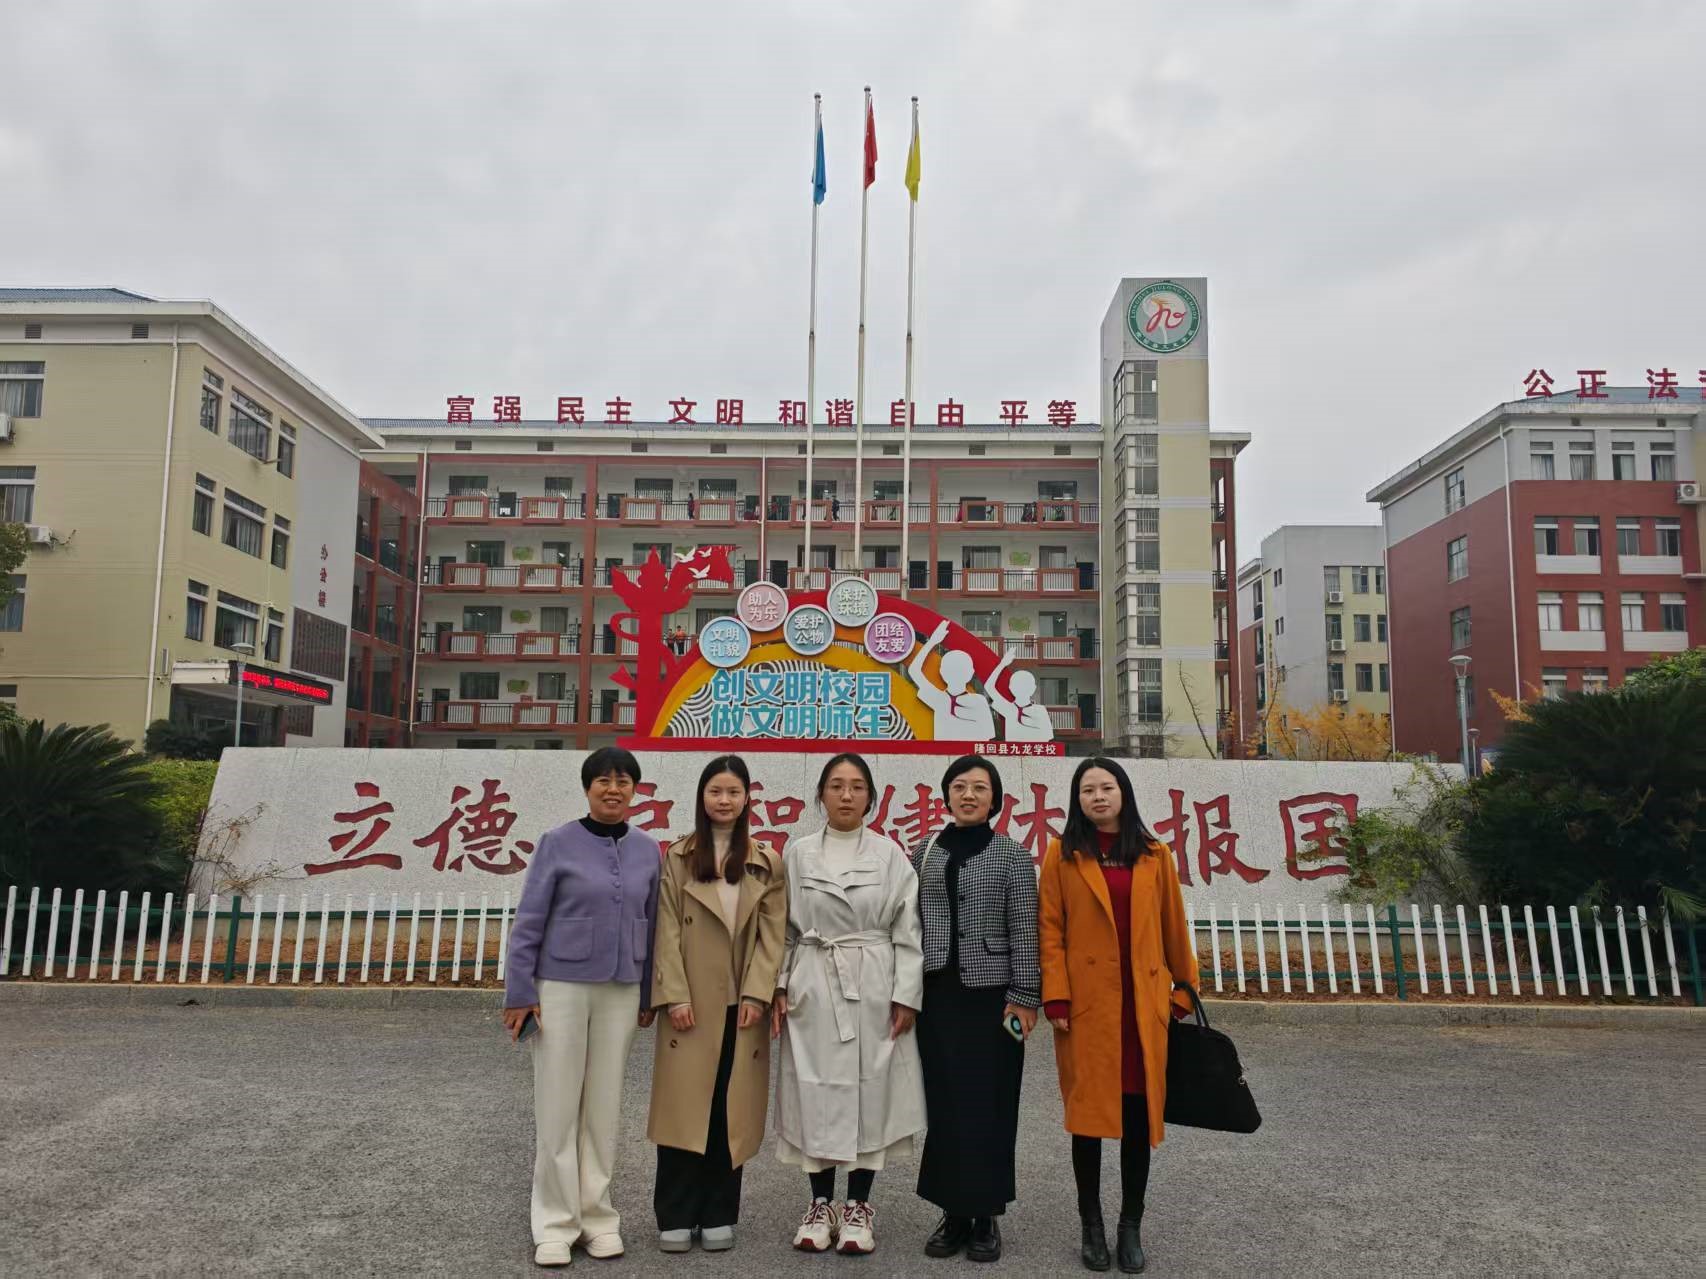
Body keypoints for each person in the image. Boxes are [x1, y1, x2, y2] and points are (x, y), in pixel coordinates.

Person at [503, 746, 663, 1268]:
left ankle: (597, 1217)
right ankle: (554, 1222)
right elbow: (529, 919)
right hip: (561, 986)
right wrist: (520, 993)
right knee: (557, 1105)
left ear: (635, 789)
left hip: (622, 988)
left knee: (602, 1107)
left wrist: (648, 993)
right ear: (588, 788)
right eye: (603, 781)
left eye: (623, 781)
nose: (613, 789)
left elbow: (655, 925)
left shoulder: (648, 850)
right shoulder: (557, 843)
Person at [1038, 757, 1198, 1275]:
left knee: (1136, 1118)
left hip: (1141, 1009)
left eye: (1106, 787)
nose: (1098, 797)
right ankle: (1091, 1225)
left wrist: (1184, 990)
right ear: (1077, 800)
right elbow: (1050, 930)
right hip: (1087, 1009)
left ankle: (1131, 1225)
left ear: (1123, 792)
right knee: (1087, 1121)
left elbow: (1174, 925)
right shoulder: (1063, 854)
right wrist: (1056, 996)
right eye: (1087, 790)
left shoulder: (1154, 854)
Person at [773, 753, 926, 1256]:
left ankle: (859, 1205)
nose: (846, 795)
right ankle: (820, 1204)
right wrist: (780, 984)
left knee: (869, 1091)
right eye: (836, 785)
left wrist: (906, 994)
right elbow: (782, 928)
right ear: (820, 794)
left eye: (857, 786)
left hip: (873, 982)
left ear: (870, 798)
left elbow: (908, 930)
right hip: (814, 982)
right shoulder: (798, 854)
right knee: (813, 1089)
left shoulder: (890, 855)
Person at [646, 755, 787, 1253]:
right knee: (684, 1109)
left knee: (730, 1109)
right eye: (715, 791)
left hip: (740, 1005)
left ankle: (720, 1212)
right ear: (702, 797)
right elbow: (666, 929)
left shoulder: (765, 861)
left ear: (748, 798)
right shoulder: (679, 856)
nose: (724, 801)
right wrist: (674, 995)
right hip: (690, 1003)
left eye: (733, 792)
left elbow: (772, 936)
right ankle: (675, 1214)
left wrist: (758, 993)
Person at [909, 755, 1040, 1263]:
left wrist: (1024, 997)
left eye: (979, 788)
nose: (968, 795)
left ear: (994, 799)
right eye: (959, 786)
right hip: (937, 997)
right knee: (944, 1102)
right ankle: (952, 1213)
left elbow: (1025, 929)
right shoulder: (924, 851)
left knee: (993, 1101)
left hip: (996, 1000)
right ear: (946, 795)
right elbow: (908, 924)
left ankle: (985, 1214)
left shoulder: (1012, 855)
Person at [909, 620, 996, 741]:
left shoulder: (939, 699)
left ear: (942, 672)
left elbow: (914, 670)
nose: (956, 673)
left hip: (961, 753)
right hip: (951, 753)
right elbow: (988, 736)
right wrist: (932, 641)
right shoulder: (941, 699)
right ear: (971, 673)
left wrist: (932, 642)